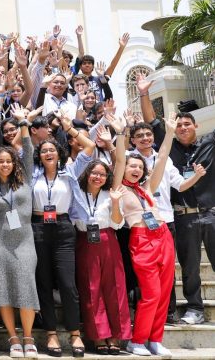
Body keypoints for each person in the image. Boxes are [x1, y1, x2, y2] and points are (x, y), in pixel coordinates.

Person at [114, 115, 205, 356]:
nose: (135, 169)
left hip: (163, 234)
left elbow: (162, 158)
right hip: (142, 240)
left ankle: (155, 339)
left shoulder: (146, 188)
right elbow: (121, 159)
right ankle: (137, 340)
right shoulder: (119, 188)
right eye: (131, 166)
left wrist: (169, 132)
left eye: (139, 167)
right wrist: (122, 133)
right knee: (151, 293)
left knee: (164, 293)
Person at [30, 112, 94, 358]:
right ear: (39, 154)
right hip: (37, 227)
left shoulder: (70, 170)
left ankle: (75, 333)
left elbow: (88, 146)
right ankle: (51, 334)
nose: (48, 153)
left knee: (68, 284)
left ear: (59, 153)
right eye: (44, 150)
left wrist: (69, 128)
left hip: (64, 228)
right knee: (44, 284)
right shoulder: (32, 172)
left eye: (52, 150)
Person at [0, 104, 39, 358]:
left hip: (25, 240)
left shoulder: (25, 176)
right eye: (0, 162)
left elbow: (27, 148)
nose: (5, 165)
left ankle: (28, 337)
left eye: (8, 161)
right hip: (0, 242)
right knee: (3, 288)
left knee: (27, 287)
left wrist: (24, 123)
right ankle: (13, 337)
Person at [71, 160, 130, 355]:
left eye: (102, 174)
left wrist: (114, 202)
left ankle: (114, 336)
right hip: (85, 241)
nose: (98, 177)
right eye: (94, 173)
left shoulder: (110, 194)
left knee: (114, 288)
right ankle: (98, 336)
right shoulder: (76, 193)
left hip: (108, 240)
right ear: (87, 174)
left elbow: (118, 223)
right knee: (91, 289)